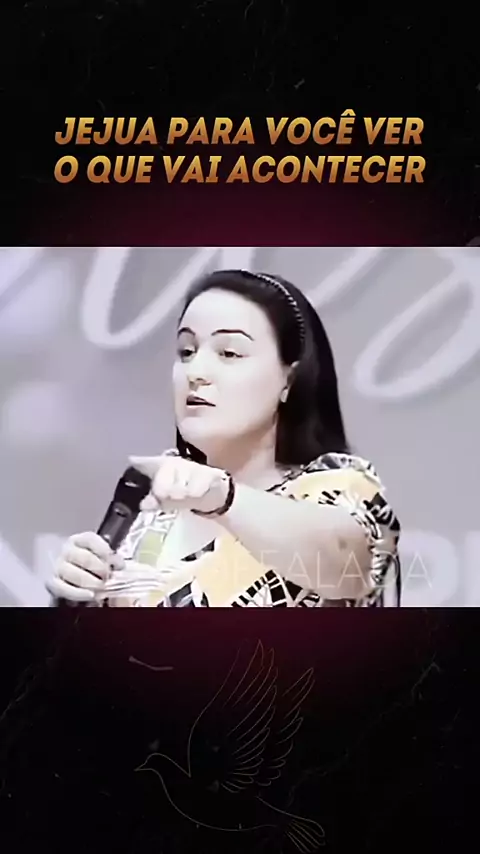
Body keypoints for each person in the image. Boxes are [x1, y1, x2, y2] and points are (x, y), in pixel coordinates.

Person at [47, 269, 401, 608]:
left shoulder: (340, 489)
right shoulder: (152, 507)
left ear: (289, 380)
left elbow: (347, 561)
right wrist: (79, 593)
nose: (196, 372)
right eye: (186, 352)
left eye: (229, 353)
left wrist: (223, 497)